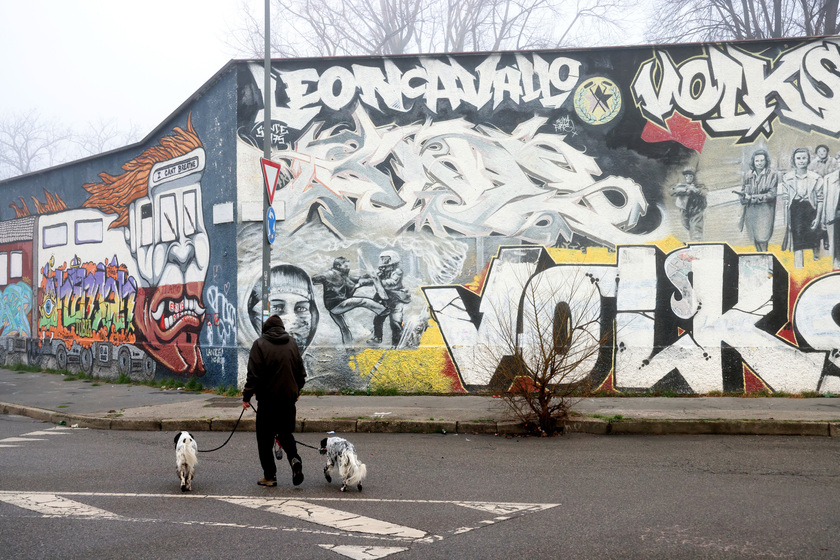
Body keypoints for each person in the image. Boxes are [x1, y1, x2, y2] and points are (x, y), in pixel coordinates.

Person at [242, 315, 307, 487]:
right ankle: (294, 459)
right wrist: (297, 390)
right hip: (288, 400)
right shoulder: (292, 343)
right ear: (282, 328)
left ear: (266, 328)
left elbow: (253, 374)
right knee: (285, 434)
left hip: (267, 402)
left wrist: (247, 396)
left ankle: (270, 477)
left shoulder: (260, 344)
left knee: (265, 440)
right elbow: (300, 371)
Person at [312, 257, 386, 345]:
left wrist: (374, 276)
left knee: (344, 329)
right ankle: (383, 310)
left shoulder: (343, 275)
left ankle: (348, 349)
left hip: (333, 309)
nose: (348, 268)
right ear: (338, 266)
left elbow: (358, 279)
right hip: (337, 305)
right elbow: (314, 279)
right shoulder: (329, 274)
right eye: (346, 266)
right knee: (362, 301)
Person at [780, 147, 824, 268]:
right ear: (794, 161)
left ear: (808, 160)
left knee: (814, 239)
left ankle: (817, 264)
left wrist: (818, 218)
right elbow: (785, 200)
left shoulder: (816, 178)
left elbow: (820, 199)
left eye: (804, 158)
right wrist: (787, 221)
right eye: (798, 158)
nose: (801, 161)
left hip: (811, 209)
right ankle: (798, 267)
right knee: (797, 240)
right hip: (795, 211)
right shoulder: (787, 178)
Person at [359, 250, 411, 346]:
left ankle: (397, 343)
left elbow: (392, 282)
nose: (384, 261)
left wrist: (378, 281)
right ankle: (377, 338)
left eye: (386, 259)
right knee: (378, 319)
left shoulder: (397, 271)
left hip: (395, 298)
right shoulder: (381, 270)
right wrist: (363, 282)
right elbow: (373, 279)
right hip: (383, 298)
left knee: (395, 322)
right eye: (383, 259)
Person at [737, 149, 777, 252]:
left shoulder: (772, 174)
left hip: (765, 211)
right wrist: (743, 197)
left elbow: (771, 194)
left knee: (763, 237)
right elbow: (743, 189)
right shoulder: (748, 174)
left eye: (762, 160)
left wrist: (753, 198)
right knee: (754, 237)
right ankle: (760, 255)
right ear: (753, 162)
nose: (759, 163)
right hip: (751, 211)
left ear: (766, 161)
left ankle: (764, 256)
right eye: (757, 161)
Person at [670, 169, 707, 242]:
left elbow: (703, 192)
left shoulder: (699, 185)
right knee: (686, 224)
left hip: (697, 209)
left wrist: (694, 189)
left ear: (693, 177)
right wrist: (685, 190)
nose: (688, 178)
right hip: (685, 210)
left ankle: (697, 242)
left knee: (696, 227)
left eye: (690, 176)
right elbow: (672, 191)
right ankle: (694, 239)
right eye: (686, 176)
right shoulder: (681, 186)